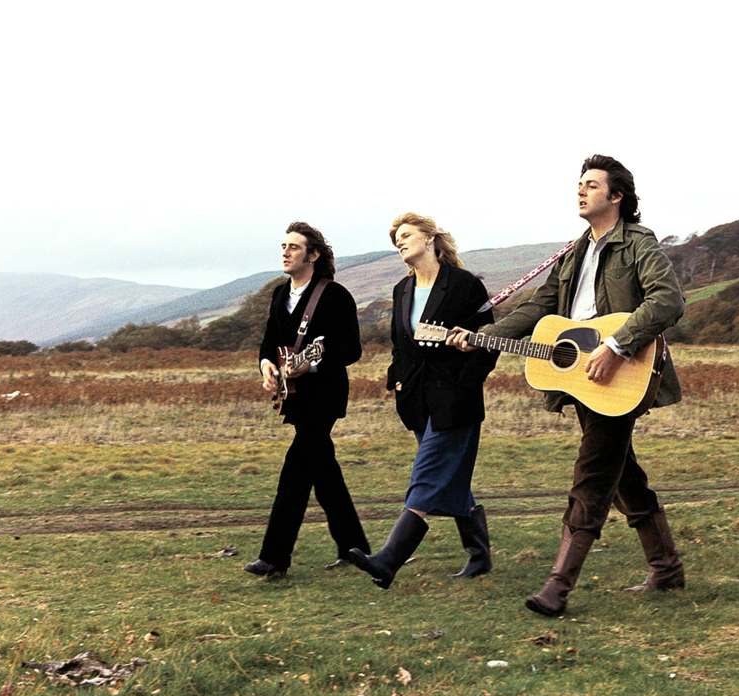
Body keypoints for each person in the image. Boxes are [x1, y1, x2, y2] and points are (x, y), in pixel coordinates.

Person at [449, 155, 686, 616]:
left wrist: (616, 346)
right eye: (579, 184)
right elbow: (539, 308)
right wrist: (482, 339)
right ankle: (666, 566)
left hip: (621, 370)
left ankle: (558, 586)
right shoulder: (573, 252)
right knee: (623, 473)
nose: (581, 191)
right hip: (581, 379)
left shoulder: (638, 243)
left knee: (593, 474)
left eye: (592, 185)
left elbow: (668, 300)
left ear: (616, 196)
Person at [348, 212, 498, 589]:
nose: (399, 242)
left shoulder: (463, 286)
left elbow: (490, 340)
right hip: (416, 400)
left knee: (428, 473)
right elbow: (402, 346)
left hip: (456, 400)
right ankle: (479, 554)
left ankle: (387, 560)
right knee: (451, 475)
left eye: (406, 235)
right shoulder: (402, 289)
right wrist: (397, 382)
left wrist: (467, 381)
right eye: (395, 239)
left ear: (430, 238)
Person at [244, 222, 370, 579]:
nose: (285, 252)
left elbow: (351, 350)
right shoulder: (278, 294)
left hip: (324, 396)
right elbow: (270, 342)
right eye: (283, 246)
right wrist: (267, 365)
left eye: (294, 247)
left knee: (296, 469)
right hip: (295, 398)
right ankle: (354, 546)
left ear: (313, 255)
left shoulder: (335, 295)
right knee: (323, 470)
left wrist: (312, 363)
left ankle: (274, 557)